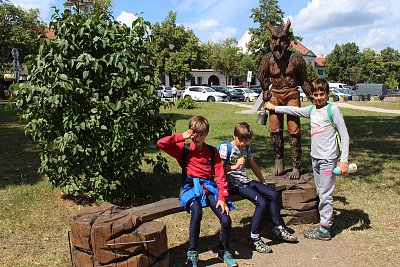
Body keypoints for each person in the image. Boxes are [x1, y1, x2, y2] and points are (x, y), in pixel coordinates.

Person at [265, 78, 350, 240]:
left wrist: (343, 160)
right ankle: (327, 219)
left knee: (325, 194)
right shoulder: (312, 110)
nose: (318, 97)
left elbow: (344, 136)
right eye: (315, 95)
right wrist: (275, 108)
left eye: (321, 94)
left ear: (327, 94)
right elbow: (293, 110)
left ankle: (324, 230)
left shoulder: (333, 110)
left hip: (328, 160)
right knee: (320, 190)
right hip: (315, 159)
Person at [157, 116, 237, 267]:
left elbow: (220, 176)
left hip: (209, 188)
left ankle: (224, 250)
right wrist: (181, 136)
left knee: (226, 219)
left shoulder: (213, 152)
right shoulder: (184, 150)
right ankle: (192, 253)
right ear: (191, 132)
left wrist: (222, 197)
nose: (197, 138)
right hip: (190, 188)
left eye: (201, 134)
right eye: (194, 134)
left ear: (206, 133)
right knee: (197, 211)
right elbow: (160, 143)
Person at [218, 122, 298, 254]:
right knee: (261, 202)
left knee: (272, 194)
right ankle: (254, 238)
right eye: (241, 140)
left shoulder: (246, 148)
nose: (243, 143)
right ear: (234, 136)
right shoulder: (225, 148)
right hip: (233, 185)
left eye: (246, 140)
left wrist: (263, 181)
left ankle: (278, 227)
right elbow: (218, 169)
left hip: (245, 180)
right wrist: (234, 166)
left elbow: (253, 165)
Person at [257, 18, 311, 179]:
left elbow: (304, 81)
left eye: (282, 40)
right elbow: (261, 75)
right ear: (270, 40)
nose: (278, 44)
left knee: (294, 131)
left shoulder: (296, 59)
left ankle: (296, 165)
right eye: (274, 39)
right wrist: (265, 88)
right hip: (276, 96)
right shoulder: (267, 59)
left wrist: (313, 97)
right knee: (274, 130)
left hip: (292, 95)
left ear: (288, 40)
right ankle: (279, 158)